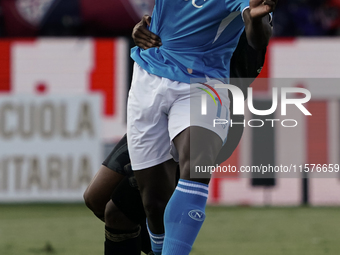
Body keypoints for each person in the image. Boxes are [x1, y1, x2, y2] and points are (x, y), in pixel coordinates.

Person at [84, 5, 271, 254]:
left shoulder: (242, 17)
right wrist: (146, 30)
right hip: (160, 90)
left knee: (120, 213)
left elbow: (250, 50)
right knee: (97, 198)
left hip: (200, 106)